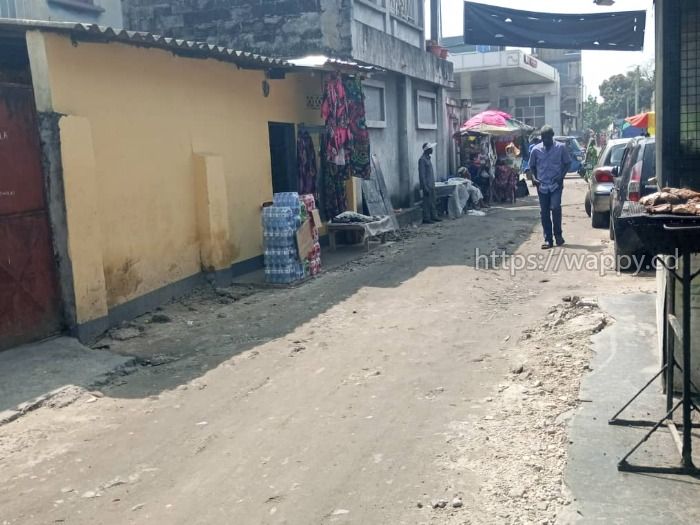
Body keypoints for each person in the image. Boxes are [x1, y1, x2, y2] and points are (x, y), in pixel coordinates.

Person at [530, 125, 571, 249]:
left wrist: (561, 176)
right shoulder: (535, 150)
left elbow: (567, 163)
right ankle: (548, 239)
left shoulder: (561, 148)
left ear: (552, 136)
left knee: (555, 207)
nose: (545, 140)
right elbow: (531, 166)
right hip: (542, 185)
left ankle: (558, 235)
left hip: (555, 185)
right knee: (544, 213)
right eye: (543, 138)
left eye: (547, 138)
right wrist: (533, 178)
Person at [419, 142, 441, 224]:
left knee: (433, 201)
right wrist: (424, 186)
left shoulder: (428, 159)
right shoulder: (422, 160)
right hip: (427, 185)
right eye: (431, 148)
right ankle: (426, 217)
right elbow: (422, 175)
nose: (432, 150)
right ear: (427, 150)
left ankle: (434, 216)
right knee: (426, 202)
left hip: (431, 184)